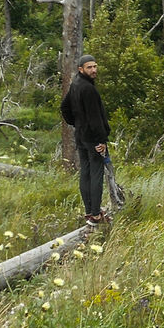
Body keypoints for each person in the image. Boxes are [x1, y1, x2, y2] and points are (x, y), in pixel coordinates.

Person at [66, 54, 110, 223]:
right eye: (89, 67)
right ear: (80, 69)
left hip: (81, 136)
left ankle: (89, 211)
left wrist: (76, 123)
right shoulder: (87, 89)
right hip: (92, 139)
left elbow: (65, 108)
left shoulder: (75, 84)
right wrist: (101, 141)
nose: (93, 70)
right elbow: (95, 119)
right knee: (95, 174)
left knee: (85, 172)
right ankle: (96, 214)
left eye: (95, 66)